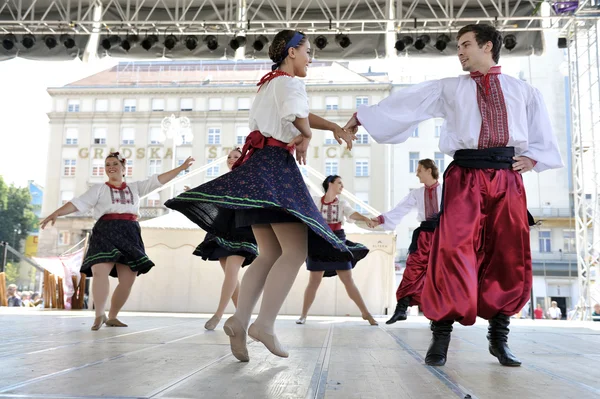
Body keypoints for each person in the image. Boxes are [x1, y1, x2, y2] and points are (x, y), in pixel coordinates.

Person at [343, 24, 563, 367]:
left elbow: (541, 133)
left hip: (507, 178)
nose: (459, 51)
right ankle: (441, 337)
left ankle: (499, 337)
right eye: (458, 46)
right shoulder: (450, 88)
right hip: (465, 178)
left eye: (465, 45)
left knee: (506, 252)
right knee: (452, 252)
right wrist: (363, 116)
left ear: (487, 46)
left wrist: (533, 158)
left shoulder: (523, 90)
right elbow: (408, 102)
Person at [165, 30, 355, 362]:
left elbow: (297, 114)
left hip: (256, 170)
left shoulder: (270, 83)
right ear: (293, 52)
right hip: (275, 170)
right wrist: (307, 135)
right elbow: (297, 115)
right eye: (309, 52)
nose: (311, 58)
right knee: (295, 251)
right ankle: (264, 325)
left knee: (268, 253)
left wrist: (332, 127)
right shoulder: (290, 83)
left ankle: (240, 321)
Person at [41, 152, 194, 330]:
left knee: (128, 279)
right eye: (107, 164)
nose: (110, 167)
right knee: (99, 272)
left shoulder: (135, 188)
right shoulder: (98, 189)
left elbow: (158, 180)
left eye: (114, 163)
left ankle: (112, 316)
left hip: (129, 231)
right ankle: (99, 314)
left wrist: (182, 168)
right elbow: (78, 203)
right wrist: (56, 213)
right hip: (105, 229)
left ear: (123, 168)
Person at [296, 175, 377, 326]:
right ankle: (303, 315)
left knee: (347, 280)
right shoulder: (314, 200)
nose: (342, 186)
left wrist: (365, 218)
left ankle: (366, 313)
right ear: (330, 183)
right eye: (339, 182)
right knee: (314, 280)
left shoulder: (342, 203)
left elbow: (352, 213)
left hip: (337, 241)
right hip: (318, 241)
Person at [369, 159, 442, 324]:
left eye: (420, 170)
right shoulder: (416, 193)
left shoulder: (446, 190)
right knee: (412, 270)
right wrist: (380, 219)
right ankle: (401, 309)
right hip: (424, 236)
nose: (417, 173)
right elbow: (400, 209)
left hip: (443, 236)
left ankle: (438, 314)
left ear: (429, 170)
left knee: (441, 274)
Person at [193, 148, 258, 330]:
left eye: (236, 157)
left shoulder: (249, 179)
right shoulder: (225, 180)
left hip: (242, 229)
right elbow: (212, 196)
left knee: (231, 272)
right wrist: (192, 194)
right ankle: (242, 318)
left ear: (244, 159)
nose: (231, 159)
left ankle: (218, 314)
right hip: (222, 229)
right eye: (229, 157)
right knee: (231, 277)